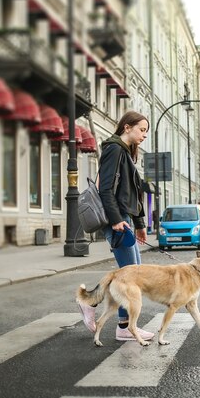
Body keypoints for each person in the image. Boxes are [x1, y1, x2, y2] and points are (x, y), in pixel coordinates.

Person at [77, 111, 155, 342]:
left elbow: (134, 193)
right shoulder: (114, 149)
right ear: (127, 127)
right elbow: (106, 189)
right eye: (142, 129)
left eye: (146, 131)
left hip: (126, 220)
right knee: (130, 278)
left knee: (131, 275)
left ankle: (90, 302)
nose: (144, 135)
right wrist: (115, 220)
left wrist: (140, 223)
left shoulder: (126, 154)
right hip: (118, 221)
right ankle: (122, 326)